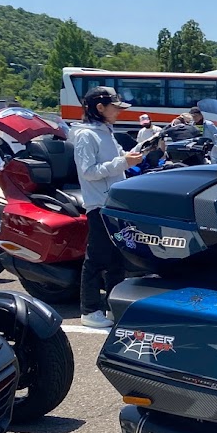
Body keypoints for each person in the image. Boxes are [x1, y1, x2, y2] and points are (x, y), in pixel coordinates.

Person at [73, 87, 144, 329]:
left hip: (114, 204)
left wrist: (131, 157)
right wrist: (123, 162)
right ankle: (89, 310)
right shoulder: (86, 135)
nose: (118, 112)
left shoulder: (106, 131)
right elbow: (89, 171)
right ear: (99, 107)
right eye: (115, 107)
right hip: (99, 204)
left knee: (116, 259)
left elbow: (117, 161)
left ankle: (113, 308)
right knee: (97, 258)